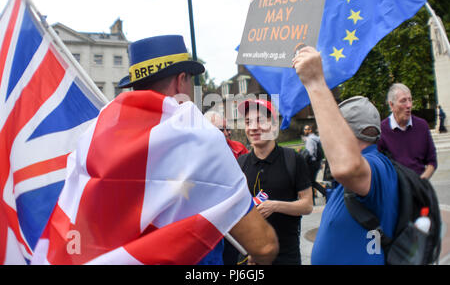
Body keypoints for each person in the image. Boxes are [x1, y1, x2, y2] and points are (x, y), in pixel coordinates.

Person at [32, 35, 278, 265]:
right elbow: (263, 246)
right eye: (191, 81)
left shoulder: (91, 139)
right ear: (181, 79)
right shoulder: (198, 139)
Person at [293, 46, 399, 265]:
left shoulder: (376, 165)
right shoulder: (371, 165)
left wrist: (315, 82)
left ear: (345, 132)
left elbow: (346, 167)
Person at [237, 99, 313, 265]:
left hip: (286, 256)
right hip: (250, 257)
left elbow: (307, 206)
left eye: (260, 121)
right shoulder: (239, 164)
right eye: (249, 122)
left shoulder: (293, 159)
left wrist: (275, 206)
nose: (253, 127)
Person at [204, 110, 249, 264]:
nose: (227, 133)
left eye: (227, 128)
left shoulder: (239, 148)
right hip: (212, 225)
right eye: (221, 130)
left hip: (238, 220)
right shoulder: (197, 154)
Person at [378, 83, 437, 179]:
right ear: (391, 105)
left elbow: (432, 162)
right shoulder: (381, 131)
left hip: (420, 189)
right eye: (403, 101)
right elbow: (379, 168)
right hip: (395, 191)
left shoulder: (422, 126)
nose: (409, 105)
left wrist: (420, 183)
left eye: (410, 100)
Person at [301, 124, 324, 203]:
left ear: (310, 130)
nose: (305, 131)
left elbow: (310, 152)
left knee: (310, 181)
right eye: (304, 129)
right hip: (316, 162)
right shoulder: (316, 138)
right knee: (311, 181)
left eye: (306, 129)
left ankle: (321, 195)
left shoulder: (310, 140)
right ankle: (314, 198)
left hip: (312, 163)